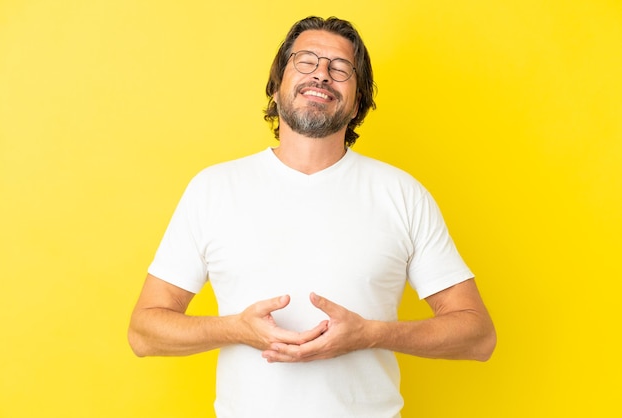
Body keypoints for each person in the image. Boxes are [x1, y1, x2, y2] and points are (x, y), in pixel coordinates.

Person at [128, 16, 496, 418]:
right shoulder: (214, 188)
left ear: (358, 101)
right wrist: (235, 329)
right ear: (277, 84)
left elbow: (478, 337)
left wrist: (372, 335)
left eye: (340, 69)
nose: (322, 74)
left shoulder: (401, 194)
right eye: (306, 61)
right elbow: (144, 332)